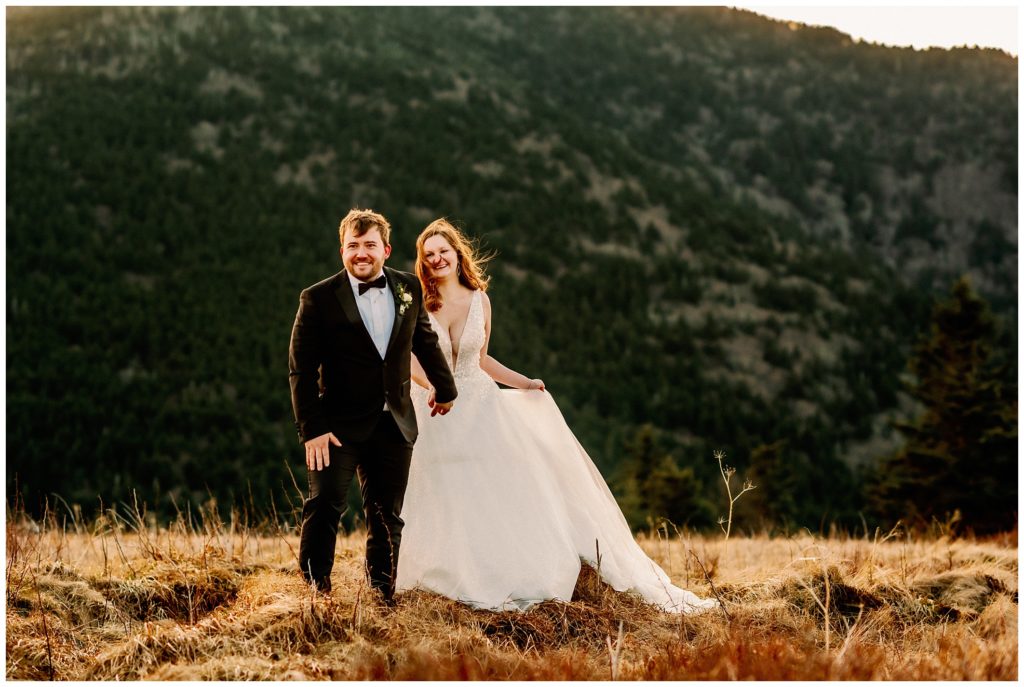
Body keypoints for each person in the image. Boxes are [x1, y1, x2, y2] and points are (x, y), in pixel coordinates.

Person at [395, 218, 718, 613]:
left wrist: (524, 383)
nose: (436, 259)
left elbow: (479, 360)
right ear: (422, 262)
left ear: (457, 254)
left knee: (490, 492)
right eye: (428, 255)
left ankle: (497, 570)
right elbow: (408, 359)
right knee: (440, 491)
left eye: (443, 251)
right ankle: (439, 572)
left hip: (480, 407)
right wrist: (437, 390)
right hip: (434, 409)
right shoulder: (417, 301)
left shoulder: (480, 300)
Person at [288, 209, 457, 603]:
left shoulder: (408, 288)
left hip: (394, 423)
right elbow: (300, 370)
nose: (361, 254)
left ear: (386, 249)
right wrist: (310, 429)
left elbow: (425, 341)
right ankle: (316, 594)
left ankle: (382, 596)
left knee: (386, 517)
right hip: (335, 427)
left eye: (369, 245)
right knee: (325, 504)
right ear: (341, 250)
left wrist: (445, 388)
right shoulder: (316, 299)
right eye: (353, 246)